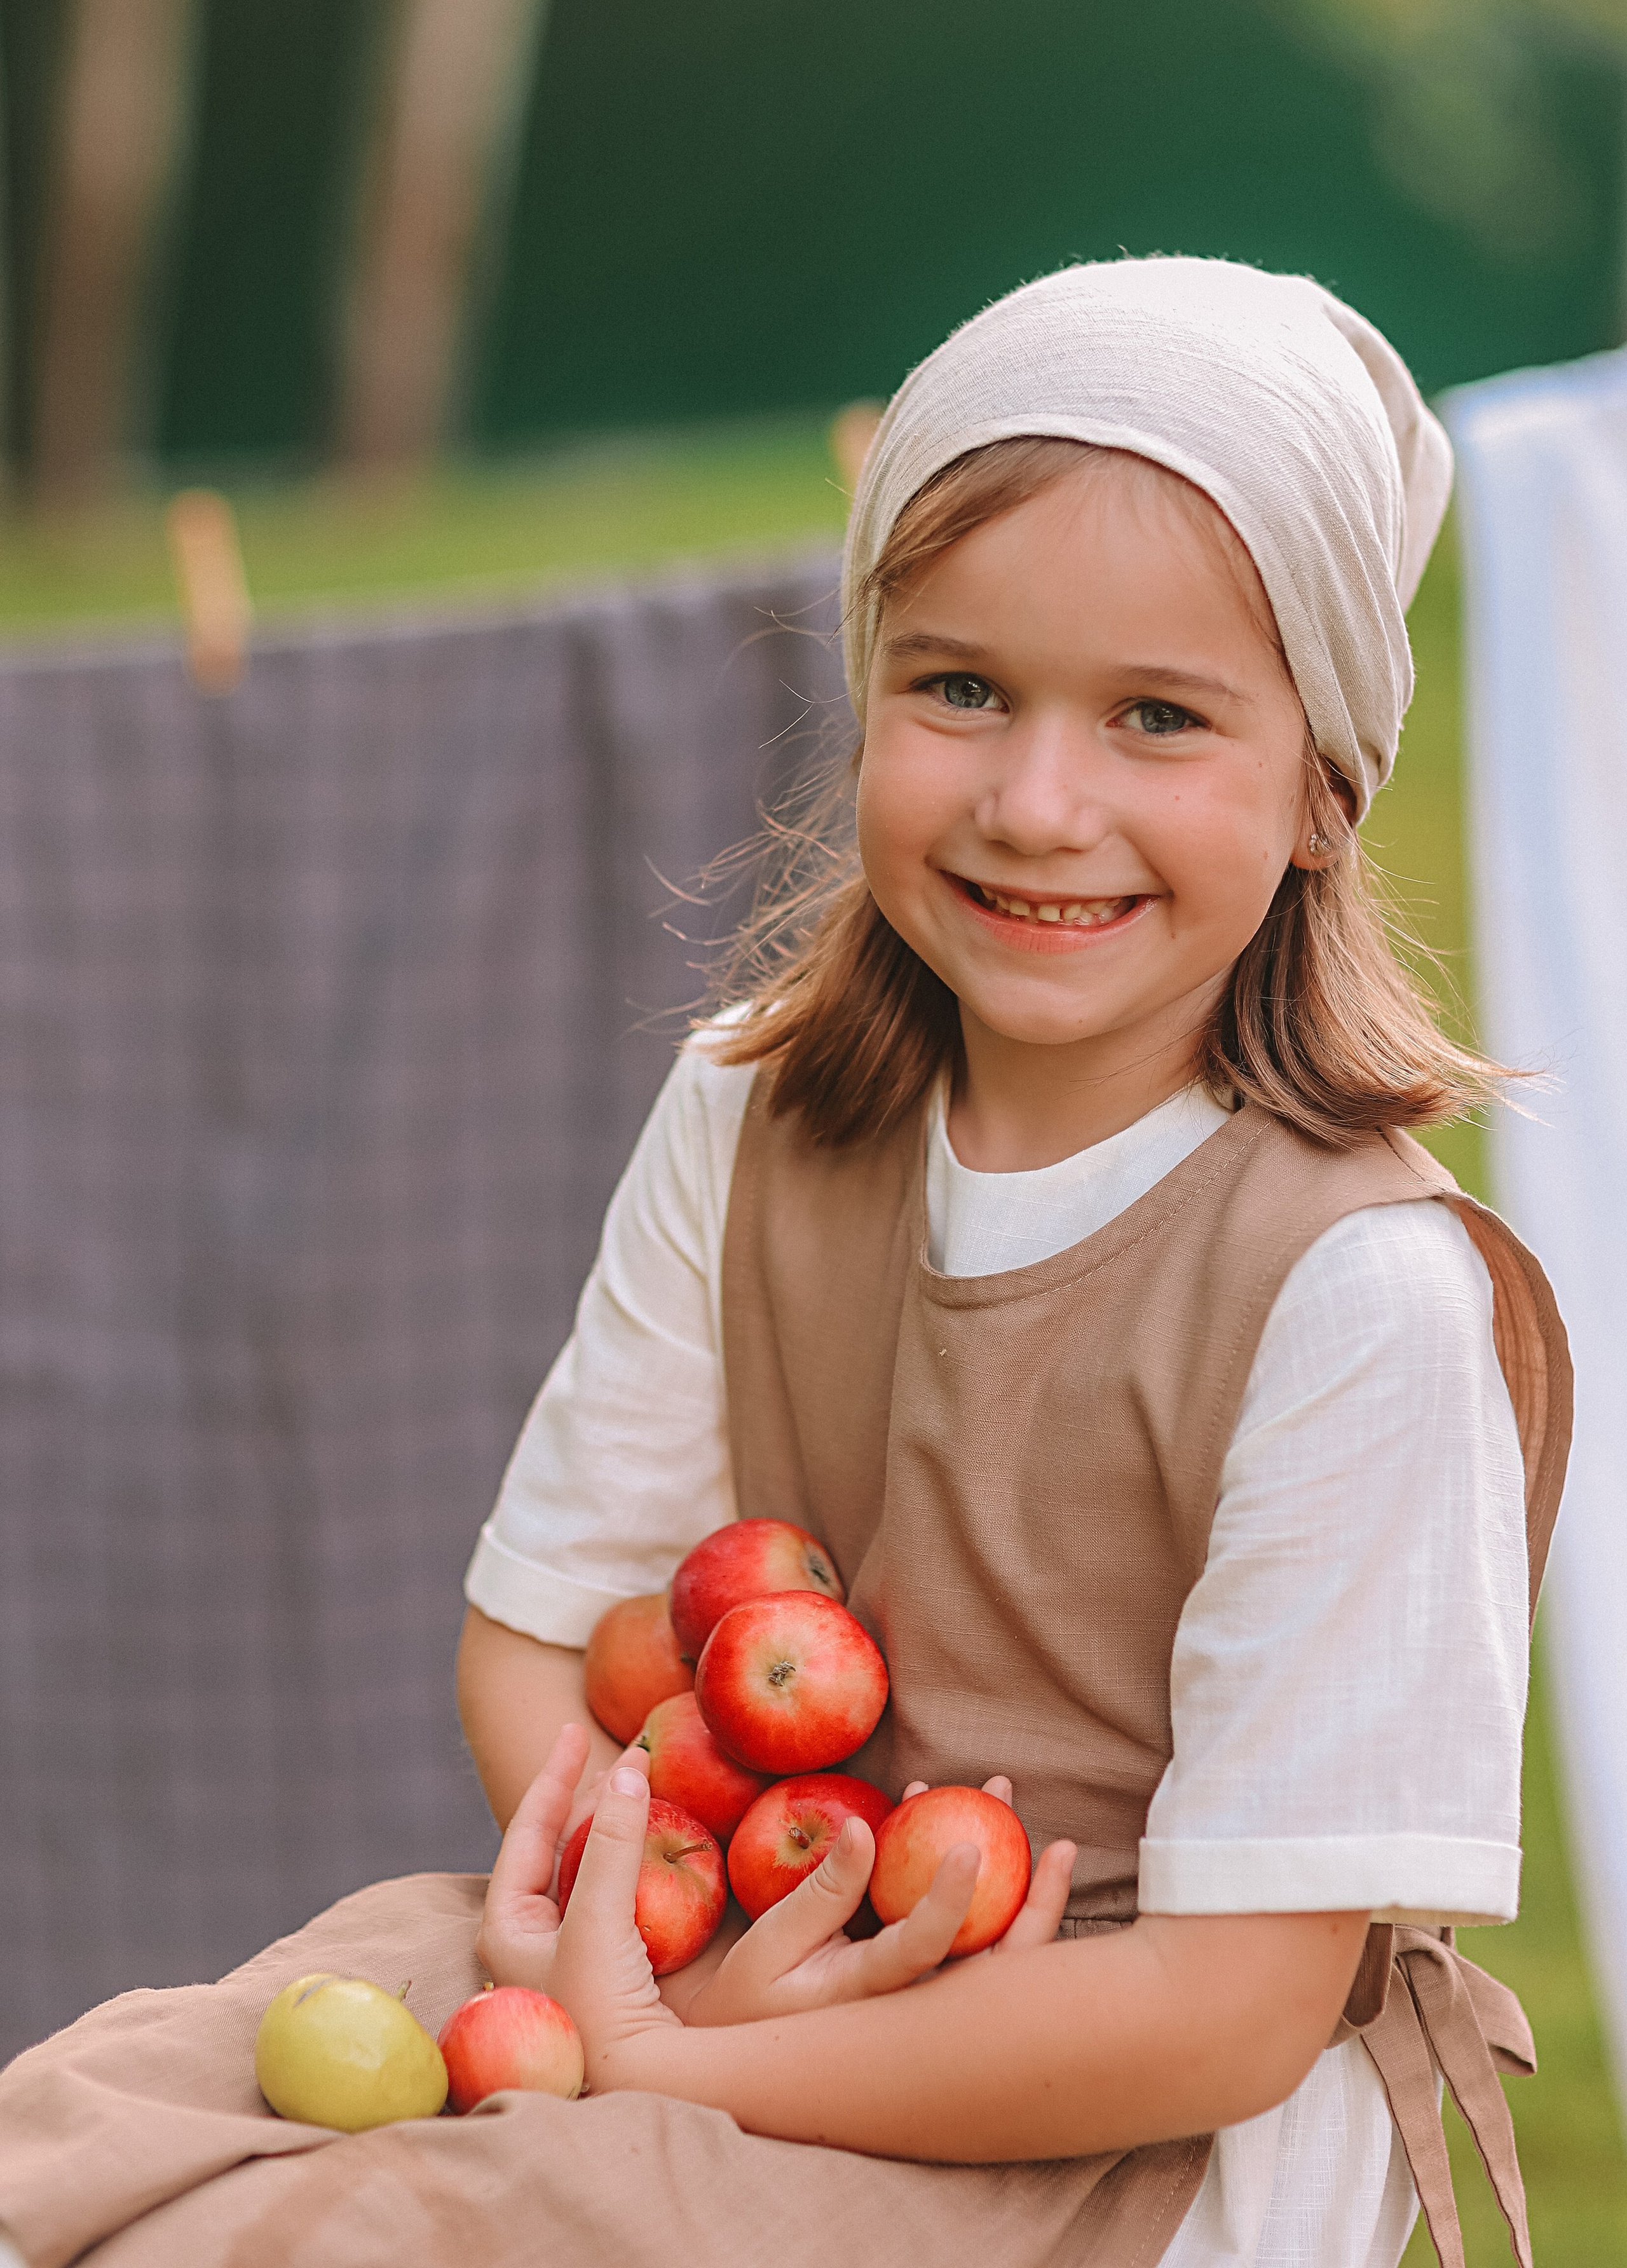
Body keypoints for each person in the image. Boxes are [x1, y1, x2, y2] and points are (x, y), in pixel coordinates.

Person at [456, 259, 1569, 2267]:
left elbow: (1227, 2010)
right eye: (960, 686)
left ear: (1324, 789)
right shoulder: (754, 1116)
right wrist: (675, 1938)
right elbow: (545, 1641)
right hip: (715, 1989)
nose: (1039, 805)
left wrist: (684, 2059)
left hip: (1128, 2147)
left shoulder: (1360, 1298)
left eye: (1160, 717)